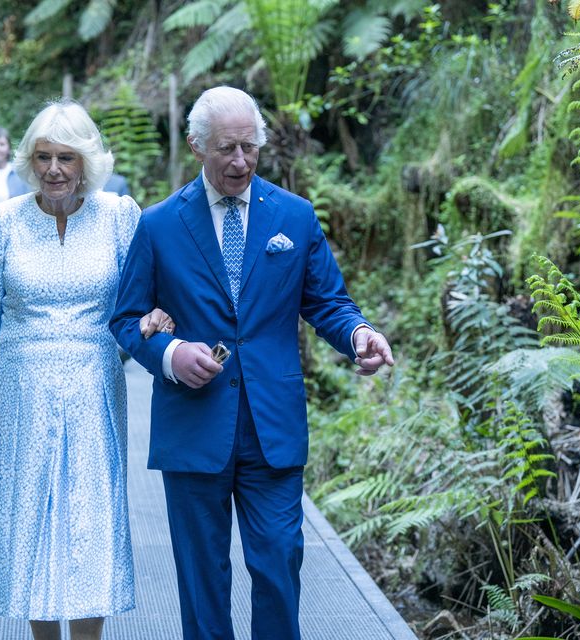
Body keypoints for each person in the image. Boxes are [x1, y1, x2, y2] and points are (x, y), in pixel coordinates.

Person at [110, 86, 395, 640]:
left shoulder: (295, 215)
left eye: (249, 147)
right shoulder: (159, 224)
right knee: (201, 579)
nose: (240, 161)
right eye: (226, 148)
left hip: (273, 424)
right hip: (193, 427)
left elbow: (328, 302)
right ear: (197, 146)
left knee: (279, 564)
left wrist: (359, 333)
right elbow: (125, 320)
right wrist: (170, 354)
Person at [0, 100, 174, 640]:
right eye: (43, 157)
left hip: (93, 389)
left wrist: (156, 319)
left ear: (87, 161)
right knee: (33, 521)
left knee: (87, 521)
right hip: (19, 391)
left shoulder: (120, 215)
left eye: (67, 157)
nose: (55, 169)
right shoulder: (1, 221)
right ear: (29, 161)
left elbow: (138, 304)